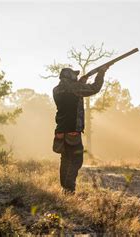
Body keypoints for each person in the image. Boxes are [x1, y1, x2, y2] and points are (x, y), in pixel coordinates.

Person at [52, 66, 109, 194]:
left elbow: (72, 91)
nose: (76, 77)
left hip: (60, 130)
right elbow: (95, 88)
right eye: (74, 75)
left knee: (65, 158)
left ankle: (65, 188)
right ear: (70, 77)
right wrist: (101, 73)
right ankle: (69, 189)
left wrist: (82, 81)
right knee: (77, 160)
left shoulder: (56, 90)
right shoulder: (75, 88)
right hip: (72, 129)